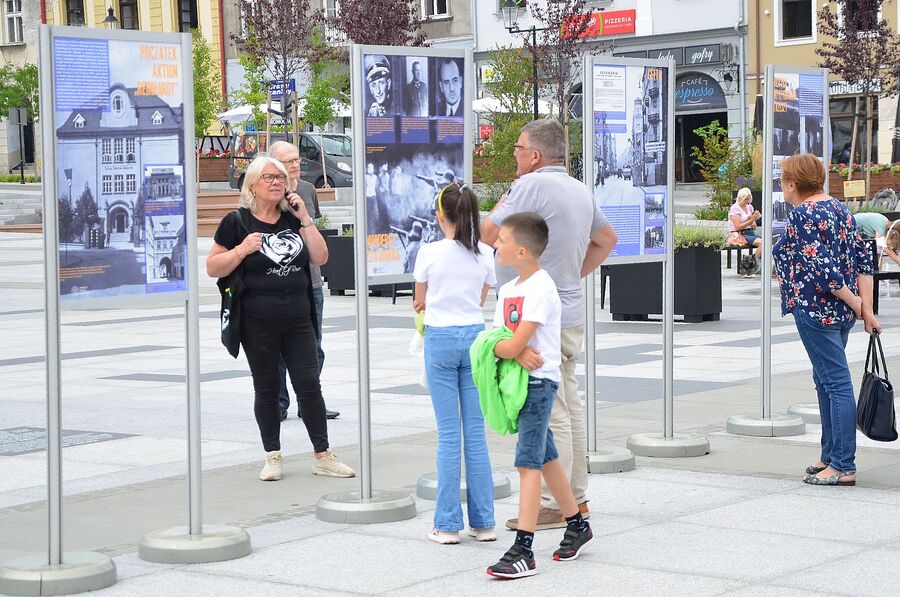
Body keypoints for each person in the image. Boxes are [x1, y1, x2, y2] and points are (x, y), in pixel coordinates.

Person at [482, 119, 617, 531]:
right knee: (569, 404)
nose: (515, 156)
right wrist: (573, 275)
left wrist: (506, 195)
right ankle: (575, 497)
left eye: (519, 148)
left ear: (535, 155)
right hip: (569, 313)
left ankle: (554, 504)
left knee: (550, 409)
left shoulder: (530, 186)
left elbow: (489, 232)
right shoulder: (579, 188)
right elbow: (607, 239)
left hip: (537, 319)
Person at [206, 156, 355, 481]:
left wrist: (306, 219)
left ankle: (323, 455)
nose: (276, 182)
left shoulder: (293, 220)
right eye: (268, 177)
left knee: (309, 385)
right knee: (267, 387)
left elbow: (321, 256)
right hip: (257, 322)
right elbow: (213, 266)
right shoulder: (237, 222)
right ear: (253, 186)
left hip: (299, 318)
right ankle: (272, 455)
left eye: (280, 178)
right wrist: (241, 250)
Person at [485, 212, 592, 579]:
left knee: (528, 464)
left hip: (539, 384)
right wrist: (510, 348)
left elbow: (509, 341)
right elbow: (496, 341)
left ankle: (524, 549)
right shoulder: (509, 289)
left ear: (523, 250)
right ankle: (577, 523)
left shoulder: (541, 287)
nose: (496, 244)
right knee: (544, 456)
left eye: (502, 239)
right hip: (519, 382)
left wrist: (510, 346)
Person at [773, 153, 880, 487]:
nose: (781, 184)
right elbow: (864, 258)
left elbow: (825, 273)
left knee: (834, 383)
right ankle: (830, 455)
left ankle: (844, 465)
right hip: (841, 313)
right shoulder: (839, 208)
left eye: (782, 179)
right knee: (825, 381)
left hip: (816, 310)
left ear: (793, 183)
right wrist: (865, 307)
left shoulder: (802, 214)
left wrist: (859, 304)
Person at [412, 183, 496, 546]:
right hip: (475, 338)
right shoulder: (486, 254)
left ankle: (446, 524)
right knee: (476, 434)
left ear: (441, 215)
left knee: (449, 434)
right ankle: (484, 522)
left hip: (440, 339)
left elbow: (420, 302)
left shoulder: (428, 252)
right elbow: (481, 297)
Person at [269, 141, 339, 421]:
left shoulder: (308, 190)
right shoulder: (268, 194)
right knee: (278, 347)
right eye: (288, 161)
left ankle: (310, 400)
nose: (295, 165)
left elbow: (314, 231)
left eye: (297, 160)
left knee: (314, 346)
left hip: (311, 282)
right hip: (280, 281)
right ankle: (279, 401)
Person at [729, 187, 763, 273]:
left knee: (768, 242)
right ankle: (754, 263)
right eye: (745, 199)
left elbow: (754, 227)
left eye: (748, 199)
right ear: (740, 198)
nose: (747, 201)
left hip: (750, 232)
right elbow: (737, 227)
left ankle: (753, 261)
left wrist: (754, 219)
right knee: (763, 243)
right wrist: (750, 220)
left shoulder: (749, 207)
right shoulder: (735, 208)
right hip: (740, 234)